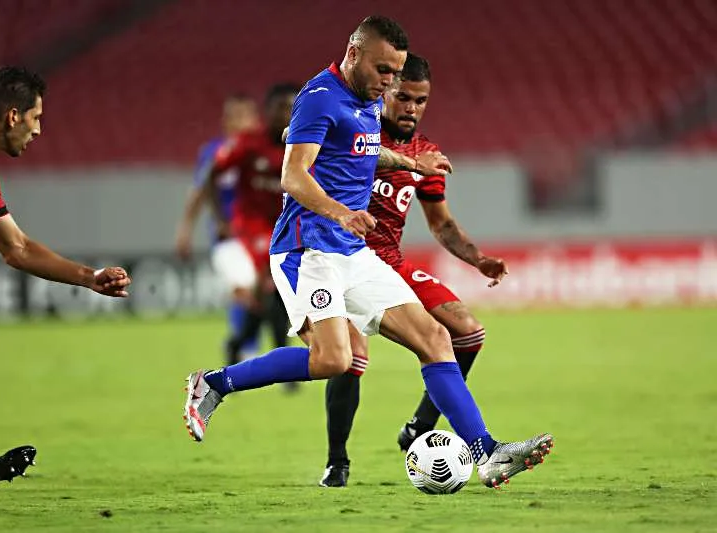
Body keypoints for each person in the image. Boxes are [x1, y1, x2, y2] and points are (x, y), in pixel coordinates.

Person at [183, 16, 552, 490]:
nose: (388, 82)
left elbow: (363, 149)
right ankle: (215, 383)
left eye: (394, 73)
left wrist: (409, 162)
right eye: (382, 69)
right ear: (353, 53)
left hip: (352, 252)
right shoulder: (318, 99)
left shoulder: (367, 100)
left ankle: (488, 452)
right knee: (334, 360)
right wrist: (340, 212)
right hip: (307, 248)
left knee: (436, 339)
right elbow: (293, 176)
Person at [0, 67, 131, 505]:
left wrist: (88, 278)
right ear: (13, 116)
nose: (39, 129)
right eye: (36, 117)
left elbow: (17, 248)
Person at [320, 53, 509, 487]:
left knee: (467, 330)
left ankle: (420, 426)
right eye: (403, 97)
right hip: (340, 259)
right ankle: (337, 461)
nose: (411, 108)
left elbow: (441, 223)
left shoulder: (426, 154)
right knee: (351, 359)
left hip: (391, 263)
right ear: (384, 91)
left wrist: (477, 259)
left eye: (421, 101)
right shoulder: (354, 129)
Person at [205, 83, 299, 374]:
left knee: (271, 296)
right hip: (253, 228)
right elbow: (212, 175)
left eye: (292, 108)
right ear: (267, 111)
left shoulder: (304, 143)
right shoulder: (249, 143)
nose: (286, 114)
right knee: (270, 286)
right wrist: (221, 219)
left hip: (287, 227)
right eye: (280, 107)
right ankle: (283, 363)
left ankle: (239, 343)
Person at [175, 94, 260, 359]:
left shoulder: (262, 150)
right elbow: (198, 193)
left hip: (261, 235)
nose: (237, 122)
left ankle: (249, 346)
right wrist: (185, 230)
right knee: (242, 288)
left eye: (243, 115)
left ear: (255, 119)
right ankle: (245, 348)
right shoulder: (213, 152)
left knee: (264, 293)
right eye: (232, 116)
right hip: (228, 238)